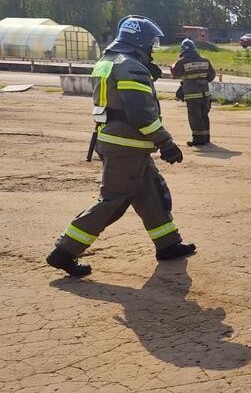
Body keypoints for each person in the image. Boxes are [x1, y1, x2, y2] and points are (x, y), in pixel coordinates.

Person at [46, 16, 196, 277]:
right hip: (126, 145)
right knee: (112, 202)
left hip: (117, 142)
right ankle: (65, 251)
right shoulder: (131, 67)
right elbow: (140, 114)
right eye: (152, 44)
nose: (152, 49)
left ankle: (168, 244)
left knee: (151, 193)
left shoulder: (108, 63)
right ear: (139, 42)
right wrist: (166, 142)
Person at [171, 38, 217, 146]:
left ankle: (198, 139)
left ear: (182, 50)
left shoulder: (182, 62)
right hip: (205, 94)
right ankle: (206, 138)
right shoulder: (205, 61)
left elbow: (175, 74)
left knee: (195, 117)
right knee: (204, 115)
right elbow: (211, 76)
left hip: (192, 95)